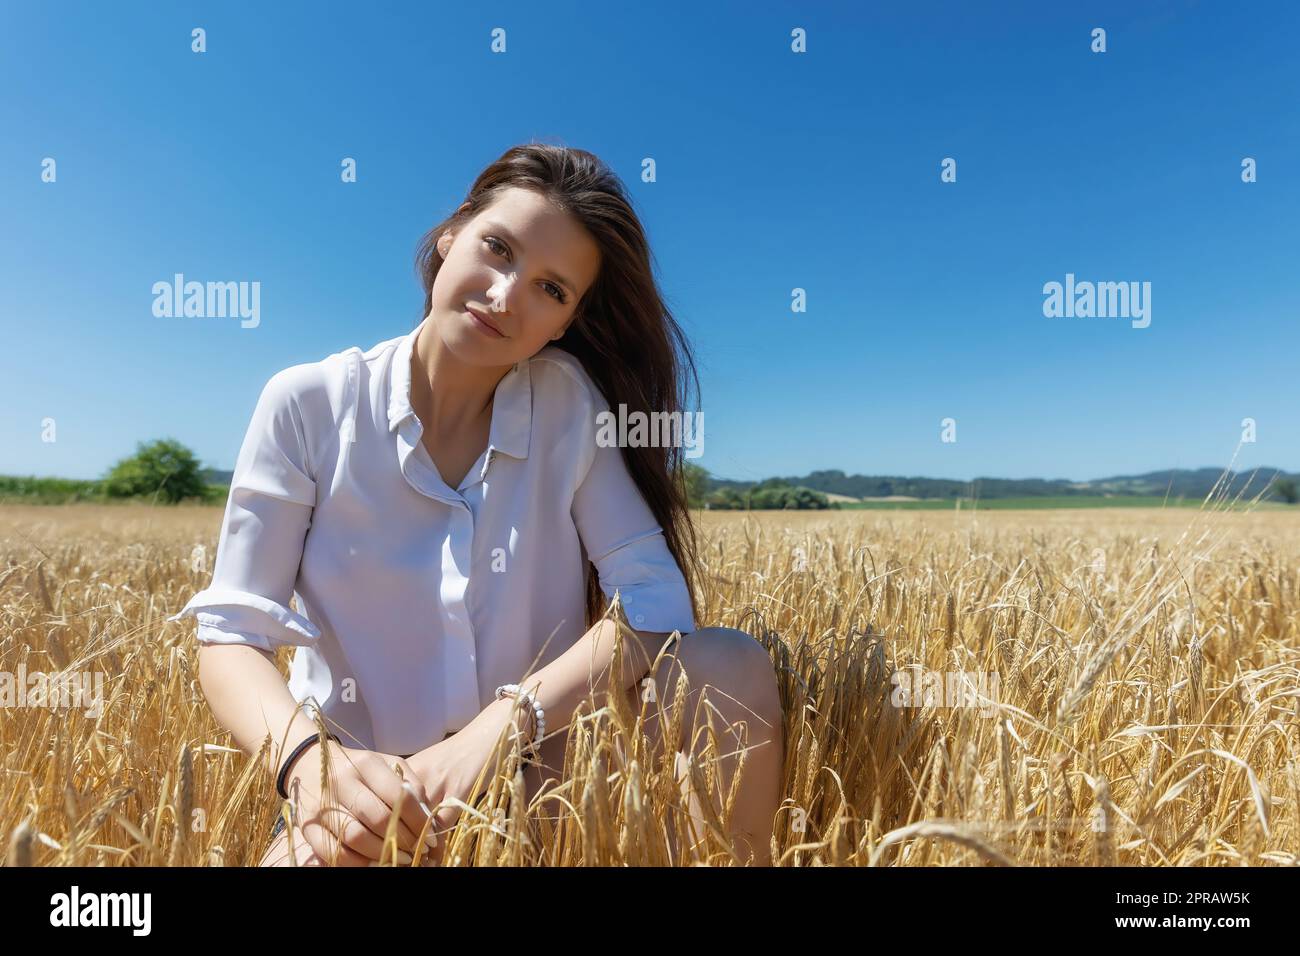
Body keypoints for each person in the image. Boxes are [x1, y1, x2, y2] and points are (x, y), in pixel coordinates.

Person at [169, 143, 785, 867]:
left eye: (552, 290)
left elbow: (651, 596)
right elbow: (231, 634)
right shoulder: (307, 404)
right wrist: (314, 769)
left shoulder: (565, 404)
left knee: (730, 667)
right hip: (367, 799)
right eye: (498, 248)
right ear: (450, 233)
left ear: (564, 323)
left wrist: (501, 729)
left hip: (539, 777)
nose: (506, 295)